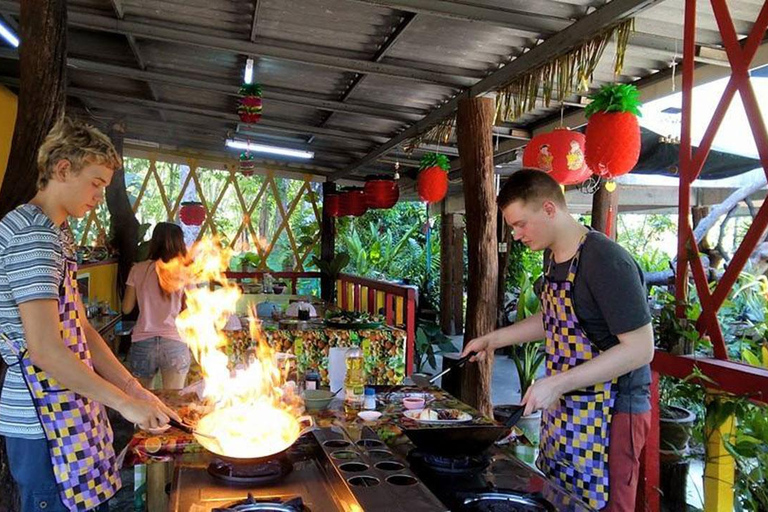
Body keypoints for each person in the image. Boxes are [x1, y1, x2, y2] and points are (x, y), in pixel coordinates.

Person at [0, 118, 179, 512]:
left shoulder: (54, 232)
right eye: (96, 183)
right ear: (63, 169)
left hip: (67, 411)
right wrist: (124, 405)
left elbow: (80, 327)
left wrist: (134, 389)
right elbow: (45, 350)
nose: (100, 196)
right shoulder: (33, 236)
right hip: (42, 423)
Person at [462, 169, 654, 512]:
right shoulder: (554, 257)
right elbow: (553, 318)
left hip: (613, 412)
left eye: (521, 224)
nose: (517, 235)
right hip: (568, 404)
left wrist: (557, 383)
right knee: (558, 494)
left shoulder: (606, 260)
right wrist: (493, 339)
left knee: (604, 504)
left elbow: (641, 348)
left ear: (549, 209)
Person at [122, 222, 191, 390]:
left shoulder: (138, 269)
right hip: (174, 341)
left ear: (154, 241)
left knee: (145, 404)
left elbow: (126, 308)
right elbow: (191, 311)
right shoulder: (184, 272)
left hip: (143, 342)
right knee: (174, 402)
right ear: (179, 242)